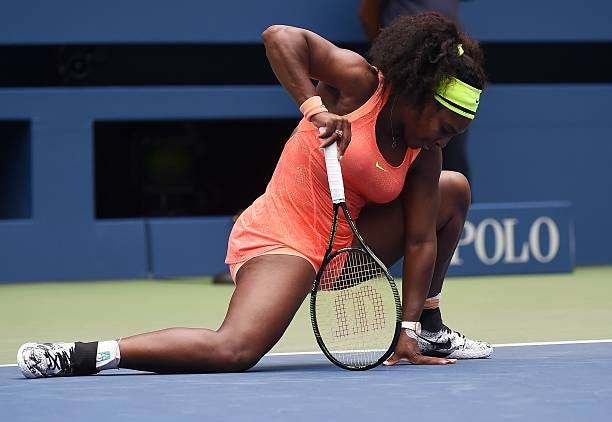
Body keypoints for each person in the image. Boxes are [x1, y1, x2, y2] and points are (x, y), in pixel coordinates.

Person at [17, 12, 491, 378]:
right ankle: (87, 354)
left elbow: (421, 242)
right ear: (418, 95)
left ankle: (428, 329)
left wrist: (404, 329)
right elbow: (279, 36)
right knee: (235, 350)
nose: (443, 142)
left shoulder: (423, 155)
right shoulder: (359, 82)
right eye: (444, 128)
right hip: (284, 238)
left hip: (350, 249)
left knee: (453, 189)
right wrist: (314, 110)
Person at [359, 0, 471, 181]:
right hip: (410, 77)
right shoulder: (357, 79)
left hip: (449, 76)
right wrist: (401, 61)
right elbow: (367, 13)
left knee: (452, 165)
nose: (440, 141)